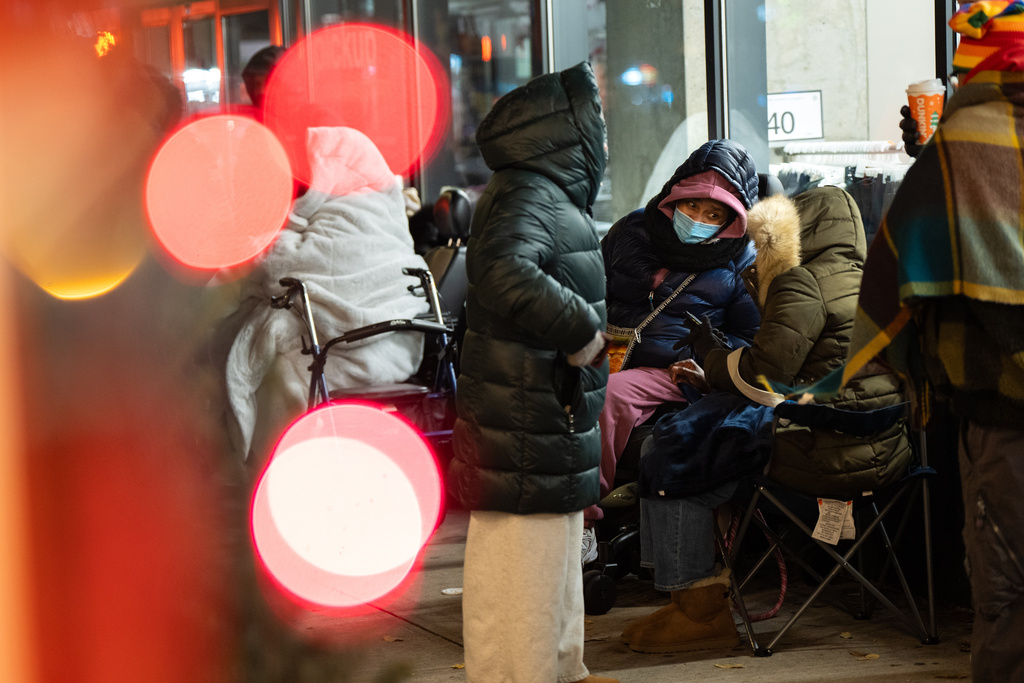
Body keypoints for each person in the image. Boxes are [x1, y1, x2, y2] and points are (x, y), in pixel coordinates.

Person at [622, 186, 914, 654]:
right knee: (693, 447)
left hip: (822, 452)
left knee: (675, 454)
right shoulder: (875, 280)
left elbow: (764, 373)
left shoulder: (805, 282)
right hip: (887, 450)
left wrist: (710, 359)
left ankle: (697, 610)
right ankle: (690, 604)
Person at [833, 3, 1024, 679]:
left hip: (1002, 407)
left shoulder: (968, 135)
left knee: (1005, 593)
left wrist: (931, 161)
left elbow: (904, 265)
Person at [445, 62, 618, 683]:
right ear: (565, 131)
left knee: (548, 571)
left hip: (545, 414)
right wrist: (583, 333)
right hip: (525, 416)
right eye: (597, 120)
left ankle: (557, 670)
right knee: (520, 578)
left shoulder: (539, 191)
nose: (605, 135)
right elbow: (505, 272)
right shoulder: (531, 192)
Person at [586, 140, 761, 560]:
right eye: (691, 206)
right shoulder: (630, 231)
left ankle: (583, 522)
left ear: (730, 221)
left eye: (713, 214)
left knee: (605, 397)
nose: (698, 219)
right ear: (673, 196)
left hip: (676, 368)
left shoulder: (741, 260)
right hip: (607, 349)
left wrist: (704, 360)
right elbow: (590, 292)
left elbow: (751, 338)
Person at [218, 126, 431, 467]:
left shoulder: (348, 210)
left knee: (276, 371)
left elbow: (281, 270)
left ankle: (276, 470)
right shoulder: (380, 204)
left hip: (346, 352)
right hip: (396, 345)